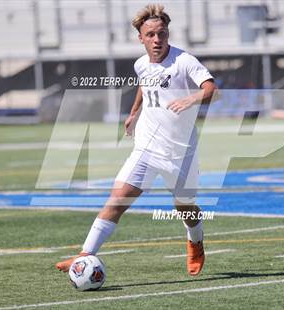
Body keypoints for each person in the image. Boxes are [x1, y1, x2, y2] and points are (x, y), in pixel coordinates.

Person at [56, 4, 217, 276]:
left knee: (185, 207)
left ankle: (195, 241)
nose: (157, 40)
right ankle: (84, 256)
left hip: (180, 155)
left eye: (162, 34)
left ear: (168, 34)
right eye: (151, 35)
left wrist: (191, 98)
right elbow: (145, 83)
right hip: (146, 148)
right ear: (141, 38)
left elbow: (210, 87)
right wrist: (133, 113)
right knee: (117, 200)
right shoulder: (140, 64)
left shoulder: (184, 61)